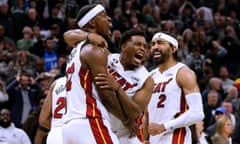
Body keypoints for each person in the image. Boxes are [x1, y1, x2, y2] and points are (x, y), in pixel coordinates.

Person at [64, 27, 154, 143]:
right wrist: (89, 36)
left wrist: (117, 88)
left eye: (145, 47)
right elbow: (68, 35)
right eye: (138, 44)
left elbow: (134, 112)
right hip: (100, 126)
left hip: (126, 133)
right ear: (124, 47)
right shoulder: (106, 57)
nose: (142, 49)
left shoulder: (147, 79)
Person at [61, 4, 135, 144]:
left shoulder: (76, 50)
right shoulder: (93, 50)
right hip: (89, 120)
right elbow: (105, 93)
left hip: (70, 125)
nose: (109, 19)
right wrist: (126, 120)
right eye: (103, 15)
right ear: (92, 22)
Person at [145, 32, 204, 143]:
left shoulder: (183, 73)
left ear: (173, 49)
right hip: (154, 139)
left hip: (176, 138)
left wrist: (164, 126)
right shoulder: (150, 76)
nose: (155, 47)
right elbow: (147, 114)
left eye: (160, 43)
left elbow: (197, 113)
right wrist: (144, 139)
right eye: (153, 44)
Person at [34, 76, 66, 144]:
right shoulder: (88, 83)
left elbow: (43, 120)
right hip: (77, 131)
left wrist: (57, 126)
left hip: (56, 134)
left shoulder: (56, 83)